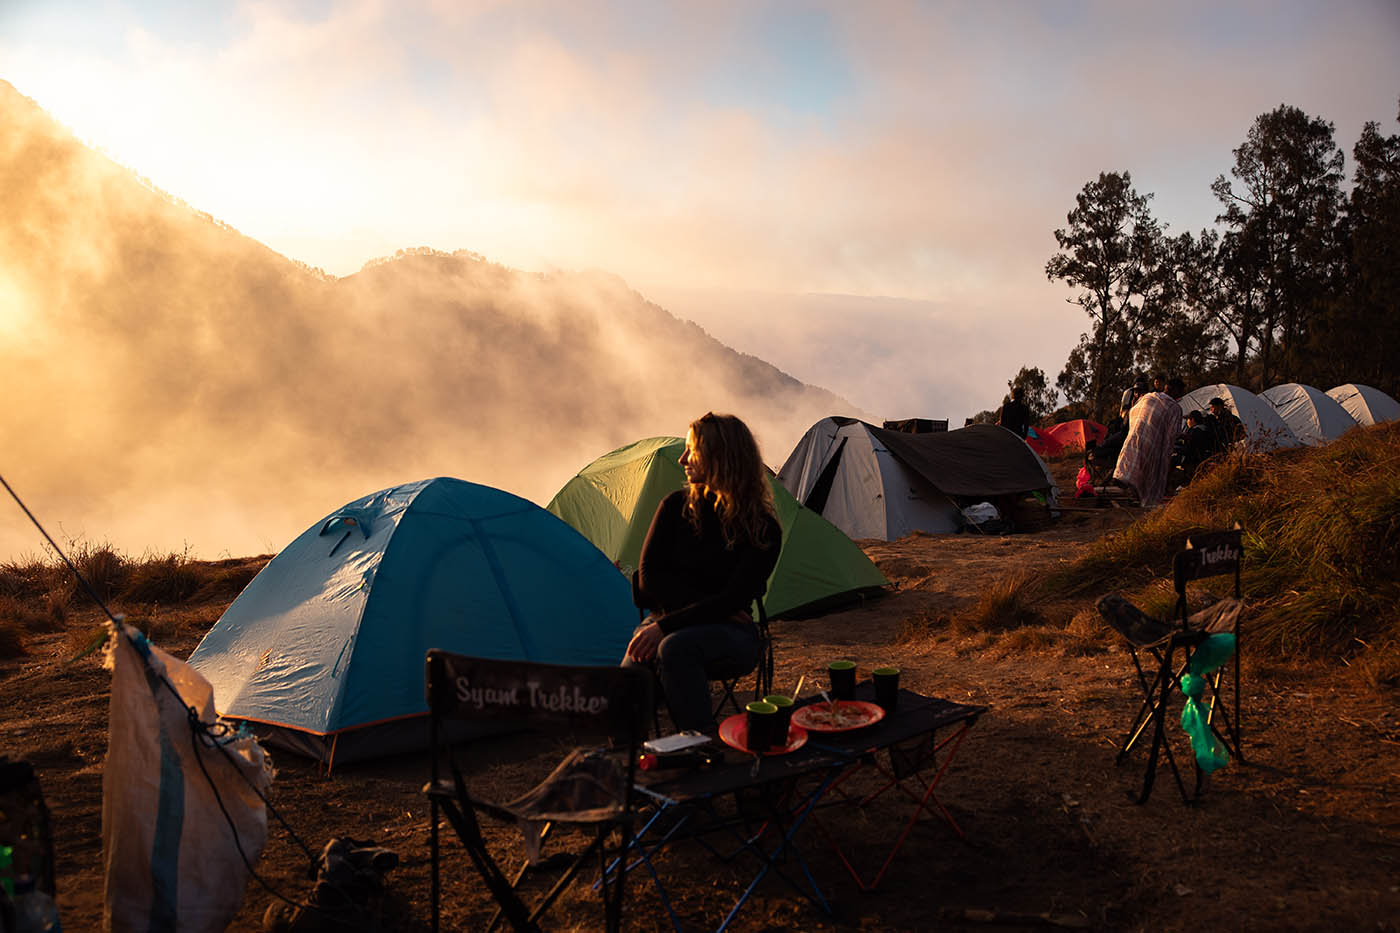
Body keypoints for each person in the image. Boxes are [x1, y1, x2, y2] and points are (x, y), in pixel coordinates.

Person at [623, 412, 782, 733]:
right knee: (629, 678)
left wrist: (666, 625)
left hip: (733, 638)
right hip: (686, 621)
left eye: (691, 450)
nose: (682, 459)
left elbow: (736, 596)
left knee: (675, 648)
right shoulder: (674, 507)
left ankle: (701, 748)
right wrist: (712, 610)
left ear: (721, 457)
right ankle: (626, 764)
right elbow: (648, 578)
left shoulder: (761, 528)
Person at [1112, 377, 1184, 507]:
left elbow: (1132, 412)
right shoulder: (1174, 407)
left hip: (1135, 437)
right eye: (1180, 393)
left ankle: (1129, 492)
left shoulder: (1148, 397)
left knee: (1131, 467)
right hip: (1154, 444)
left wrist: (1139, 427)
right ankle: (1142, 499)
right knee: (1149, 472)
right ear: (1175, 390)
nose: (1180, 396)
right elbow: (1174, 433)